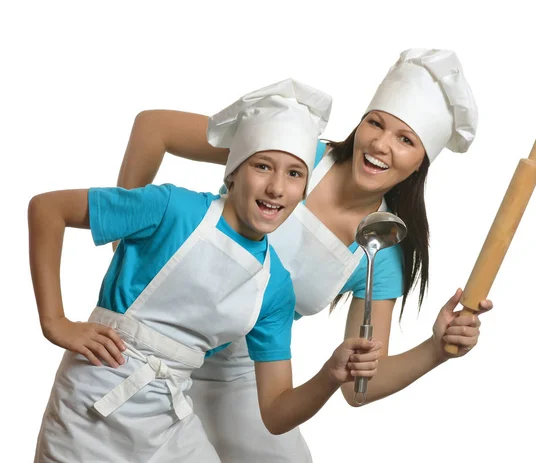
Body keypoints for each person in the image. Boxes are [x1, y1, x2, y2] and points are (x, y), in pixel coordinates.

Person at [115, 48, 493, 462]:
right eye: (375, 123)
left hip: (244, 377)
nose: (381, 144)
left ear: (422, 161)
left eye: (405, 140)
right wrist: (125, 243)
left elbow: (358, 386)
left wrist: (436, 350)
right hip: (153, 339)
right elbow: (154, 129)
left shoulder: (380, 248)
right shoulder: (293, 155)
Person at [29, 79, 383, 462]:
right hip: (93, 398)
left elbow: (277, 411)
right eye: (263, 166)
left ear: (303, 191)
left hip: (168, 416)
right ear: (233, 171)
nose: (277, 187)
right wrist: (55, 321)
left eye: (295, 174)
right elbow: (48, 210)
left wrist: (330, 375)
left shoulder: (275, 285)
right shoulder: (172, 208)